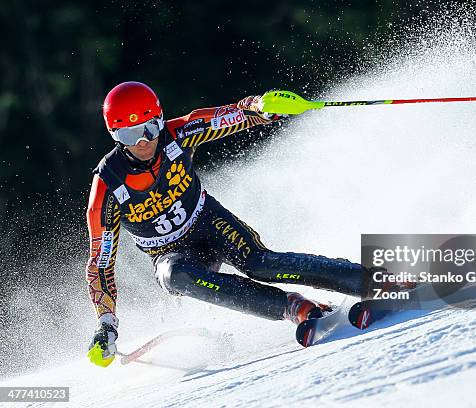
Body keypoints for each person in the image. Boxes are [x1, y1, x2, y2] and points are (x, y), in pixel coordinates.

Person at [85, 81, 393, 367]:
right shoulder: (108, 187)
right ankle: (291, 307)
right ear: (115, 136)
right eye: (130, 135)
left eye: (151, 128)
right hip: (173, 254)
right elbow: (100, 264)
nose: (144, 142)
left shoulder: (178, 133)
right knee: (172, 278)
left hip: (208, 222)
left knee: (260, 264)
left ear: (160, 120)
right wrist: (106, 324)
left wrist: (263, 107)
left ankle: (369, 280)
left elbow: (232, 115)